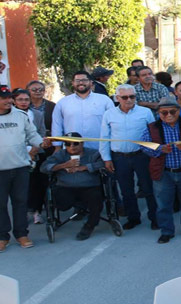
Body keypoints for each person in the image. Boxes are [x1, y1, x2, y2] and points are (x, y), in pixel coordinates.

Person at [141, 96, 181, 244]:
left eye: (173, 111)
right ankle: (166, 231)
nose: (169, 115)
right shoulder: (151, 127)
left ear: (178, 111)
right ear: (159, 113)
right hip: (163, 172)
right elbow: (144, 146)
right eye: (164, 113)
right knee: (164, 204)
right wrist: (159, 149)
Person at [100, 84, 157, 230]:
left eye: (132, 97)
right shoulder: (109, 114)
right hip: (120, 157)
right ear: (117, 98)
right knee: (126, 190)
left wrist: (153, 155)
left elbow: (153, 135)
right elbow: (104, 137)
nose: (129, 100)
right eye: (124, 97)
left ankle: (155, 218)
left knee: (148, 187)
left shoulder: (145, 112)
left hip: (142, 156)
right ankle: (133, 218)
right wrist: (107, 159)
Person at [0, 84, 46, 252]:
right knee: (1, 204)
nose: (7, 101)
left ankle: (21, 234)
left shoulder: (20, 115)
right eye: (3, 98)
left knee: (21, 202)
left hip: (20, 166)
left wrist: (41, 142)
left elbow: (32, 134)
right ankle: (2, 237)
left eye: (8, 97)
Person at [41, 133, 105, 240]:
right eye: (68, 144)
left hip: (88, 186)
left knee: (96, 197)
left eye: (75, 144)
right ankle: (54, 219)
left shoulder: (93, 153)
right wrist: (63, 165)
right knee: (54, 198)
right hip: (66, 187)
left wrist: (85, 167)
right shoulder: (60, 155)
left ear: (82, 143)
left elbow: (104, 163)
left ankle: (89, 226)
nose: (72, 147)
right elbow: (44, 167)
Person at [51, 71, 115, 151]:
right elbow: (57, 126)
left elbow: (113, 124)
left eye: (84, 80)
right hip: (72, 150)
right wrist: (57, 146)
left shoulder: (104, 100)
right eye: (77, 81)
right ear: (73, 83)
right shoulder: (63, 103)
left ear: (91, 82)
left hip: (99, 149)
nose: (81, 83)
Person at [27, 81, 55, 224]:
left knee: (44, 178)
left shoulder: (51, 106)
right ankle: (32, 208)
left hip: (46, 147)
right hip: (25, 149)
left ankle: (45, 206)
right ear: (28, 91)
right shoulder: (23, 106)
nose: (38, 91)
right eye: (34, 89)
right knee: (31, 180)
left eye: (41, 89)